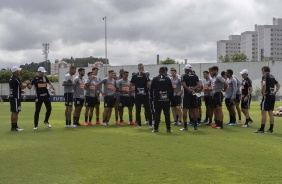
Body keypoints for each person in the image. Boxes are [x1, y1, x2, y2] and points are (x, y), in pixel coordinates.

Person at [255, 66, 280, 133]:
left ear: (264, 70)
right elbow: (278, 85)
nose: (261, 72)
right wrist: (274, 92)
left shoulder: (265, 76)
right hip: (272, 96)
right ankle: (271, 129)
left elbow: (264, 84)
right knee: (271, 112)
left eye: (262, 70)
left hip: (267, 96)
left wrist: (263, 93)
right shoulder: (272, 76)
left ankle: (262, 129)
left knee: (263, 112)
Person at [150, 67, 174, 133]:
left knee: (157, 114)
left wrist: (152, 98)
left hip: (157, 99)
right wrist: (170, 98)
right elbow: (171, 89)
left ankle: (156, 129)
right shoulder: (167, 79)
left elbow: (151, 89)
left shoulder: (155, 79)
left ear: (158, 71)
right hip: (166, 100)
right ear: (165, 72)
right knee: (167, 114)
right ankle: (168, 129)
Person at [130, 63, 152, 128]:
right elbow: (149, 84)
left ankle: (139, 124)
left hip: (137, 94)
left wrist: (137, 86)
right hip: (145, 94)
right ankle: (150, 124)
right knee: (148, 109)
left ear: (138, 68)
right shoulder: (145, 75)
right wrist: (147, 88)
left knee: (138, 109)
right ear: (143, 68)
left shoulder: (134, 75)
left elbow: (131, 84)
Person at [180, 64, 200, 131]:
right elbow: (198, 85)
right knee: (194, 110)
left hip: (187, 94)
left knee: (185, 110)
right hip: (193, 94)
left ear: (186, 69)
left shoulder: (184, 76)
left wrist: (189, 89)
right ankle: (195, 126)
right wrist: (193, 89)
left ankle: (185, 127)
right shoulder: (195, 76)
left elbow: (183, 85)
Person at [9, 66, 30, 131]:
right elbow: (22, 86)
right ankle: (15, 127)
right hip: (16, 97)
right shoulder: (16, 78)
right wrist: (27, 83)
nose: (19, 72)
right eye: (18, 70)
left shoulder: (11, 78)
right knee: (16, 112)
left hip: (12, 96)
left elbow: (15, 87)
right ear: (16, 71)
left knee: (13, 112)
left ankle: (13, 126)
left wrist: (20, 91)